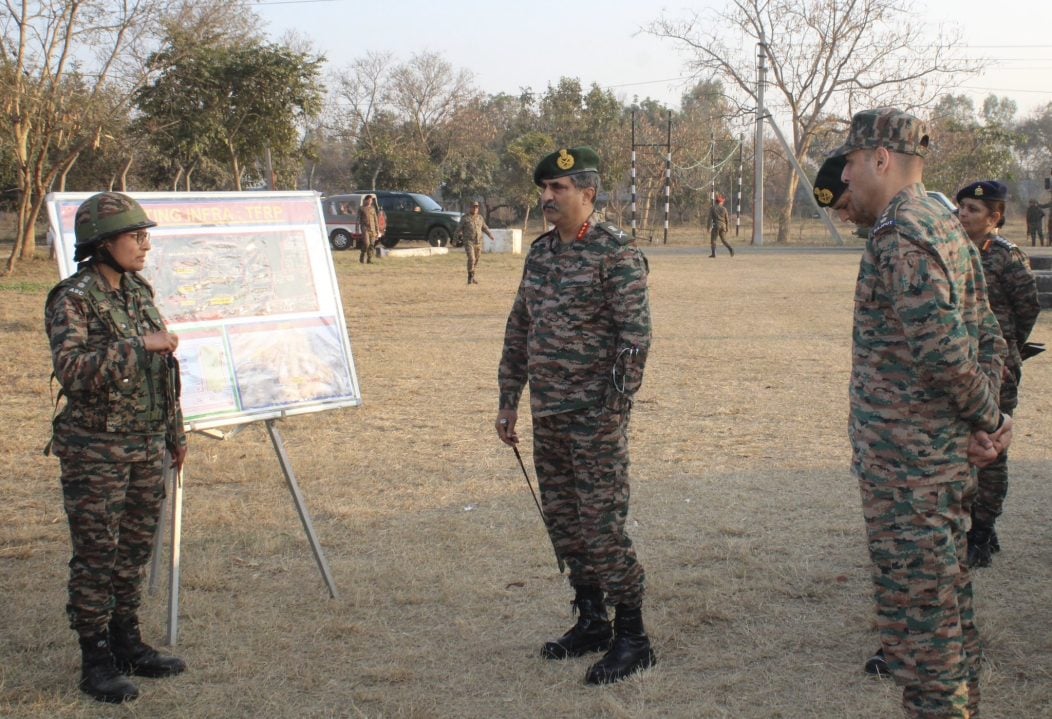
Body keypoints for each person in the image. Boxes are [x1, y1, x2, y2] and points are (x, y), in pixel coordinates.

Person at [832, 108, 1011, 719]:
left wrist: (988, 422)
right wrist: (988, 421)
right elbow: (988, 337)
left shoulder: (901, 233)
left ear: (881, 158)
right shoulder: (942, 222)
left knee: (922, 632)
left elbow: (945, 353)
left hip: (910, 472)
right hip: (938, 463)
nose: (845, 177)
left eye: (851, 163)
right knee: (947, 616)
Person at [495, 146, 654, 685]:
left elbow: (635, 337)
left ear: (588, 194)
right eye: (544, 188)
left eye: (558, 188)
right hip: (549, 415)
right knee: (564, 522)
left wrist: (616, 406)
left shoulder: (615, 254)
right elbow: (520, 328)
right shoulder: (540, 254)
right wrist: (508, 398)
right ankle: (591, 620)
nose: (547, 196)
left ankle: (633, 636)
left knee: (601, 525)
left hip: (594, 417)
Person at [45, 192, 188, 703]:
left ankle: (128, 642)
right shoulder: (73, 298)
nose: (145, 245)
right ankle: (96, 659)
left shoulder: (136, 290)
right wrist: (138, 345)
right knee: (96, 556)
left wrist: (175, 433)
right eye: (136, 236)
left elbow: (163, 372)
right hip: (96, 451)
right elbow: (73, 370)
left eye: (145, 236)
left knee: (133, 551)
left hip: (146, 444)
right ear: (104, 243)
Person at [955, 180, 1040, 568]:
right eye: (961, 207)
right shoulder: (953, 249)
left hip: (998, 368)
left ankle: (983, 531)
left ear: (995, 216)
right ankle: (965, 522)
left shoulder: (1008, 257)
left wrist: (1007, 353)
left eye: (973, 209)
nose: (963, 214)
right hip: (960, 367)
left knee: (990, 449)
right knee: (961, 447)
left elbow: (1027, 311)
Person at [455, 201, 494, 284]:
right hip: (468, 242)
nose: (475, 208)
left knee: (476, 260)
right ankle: (470, 277)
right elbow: (458, 229)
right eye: (473, 207)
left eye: (476, 207)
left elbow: (484, 227)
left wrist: (490, 235)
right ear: (470, 208)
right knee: (471, 258)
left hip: (478, 242)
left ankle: (472, 276)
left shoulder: (480, 218)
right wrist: (454, 240)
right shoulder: (465, 218)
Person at [358, 194, 380, 264]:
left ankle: (369, 259)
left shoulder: (373, 208)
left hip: (372, 229)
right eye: (369, 200)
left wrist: (377, 230)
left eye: (371, 200)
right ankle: (362, 255)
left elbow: (375, 220)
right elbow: (358, 219)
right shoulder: (361, 208)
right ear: (366, 200)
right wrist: (357, 228)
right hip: (365, 228)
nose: (370, 201)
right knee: (367, 243)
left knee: (372, 245)